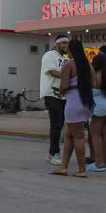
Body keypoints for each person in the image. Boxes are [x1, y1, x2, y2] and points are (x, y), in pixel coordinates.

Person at [52, 38, 95, 177]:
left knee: (78, 136)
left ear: (71, 51)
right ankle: (63, 167)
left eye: (67, 49)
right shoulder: (88, 64)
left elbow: (63, 86)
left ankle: (82, 170)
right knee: (68, 135)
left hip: (73, 103)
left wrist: (63, 90)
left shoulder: (69, 65)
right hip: (85, 102)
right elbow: (94, 83)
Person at [40, 35, 68, 165]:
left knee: (59, 124)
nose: (66, 45)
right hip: (52, 94)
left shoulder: (63, 58)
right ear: (57, 43)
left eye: (67, 43)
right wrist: (71, 74)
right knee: (56, 124)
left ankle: (52, 153)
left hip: (62, 95)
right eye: (64, 43)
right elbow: (52, 72)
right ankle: (55, 153)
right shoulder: (49, 55)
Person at [87, 51, 106, 173]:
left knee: (95, 134)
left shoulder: (94, 74)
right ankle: (105, 159)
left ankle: (99, 163)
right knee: (105, 133)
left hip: (99, 103)